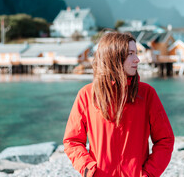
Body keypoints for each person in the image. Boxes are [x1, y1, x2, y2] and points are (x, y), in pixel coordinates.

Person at [63, 32, 174, 177]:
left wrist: (148, 174)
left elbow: (165, 140)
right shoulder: (87, 95)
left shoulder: (147, 94)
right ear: (113, 57)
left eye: (136, 53)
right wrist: (88, 169)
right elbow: (72, 140)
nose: (137, 59)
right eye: (131, 54)